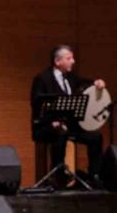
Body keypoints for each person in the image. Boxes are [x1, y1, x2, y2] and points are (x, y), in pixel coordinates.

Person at [30, 45, 106, 183]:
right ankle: (59, 174)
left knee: (96, 137)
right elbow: (36, 103)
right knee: (61, 133)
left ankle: (94, 175)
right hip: (46, 126)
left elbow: (83, 82)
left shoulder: (71, 77)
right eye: (69, 58)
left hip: (69, 125)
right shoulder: (42, 78)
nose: (73, 61)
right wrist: (51, 121)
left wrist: (96, 82)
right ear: (57, 61)